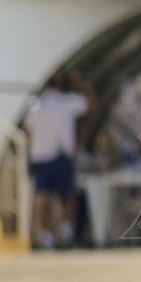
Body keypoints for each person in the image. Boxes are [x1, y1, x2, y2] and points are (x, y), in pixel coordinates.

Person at [23, 69, 95, 249]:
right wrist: (84, 84)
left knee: (43, 196)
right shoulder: (67, 102)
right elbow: (91, 105)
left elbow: (28, 132)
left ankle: (46, 235)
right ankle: (66, 232)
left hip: (41, 155)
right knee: (68, 195)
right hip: (62, 155)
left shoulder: (35, 107)